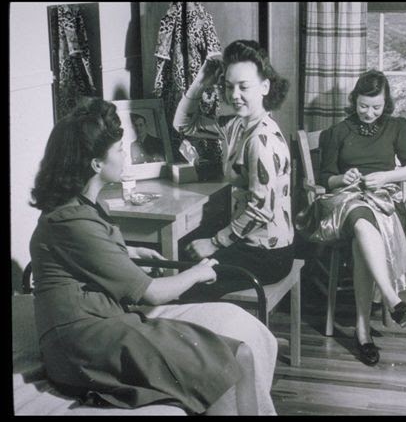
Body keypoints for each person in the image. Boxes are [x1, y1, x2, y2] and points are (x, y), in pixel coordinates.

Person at [28, 98, 278, 415]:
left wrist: (129, 252)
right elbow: (153, 293)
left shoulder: (82, 204)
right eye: (119, 149)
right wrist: (199, 271)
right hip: (84, 342)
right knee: (219, 373)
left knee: (241, 354)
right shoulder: (70, 219)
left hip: (107, 323)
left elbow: (85, 254)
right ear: (95, 164)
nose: (125, 154)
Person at [316, 69, 406, 366]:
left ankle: (363, 331)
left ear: (386, 103)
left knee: (362, 237)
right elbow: (324, 177)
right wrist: (343, 178)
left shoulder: (395, 127)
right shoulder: (338, 132)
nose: (369, 113)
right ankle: (392, 299)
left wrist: (387, 177)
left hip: (383, 200)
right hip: (347, 202)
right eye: (363, 106)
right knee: (360, 218)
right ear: (354, 101)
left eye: (376, 107)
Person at [173, 40, 294, 299]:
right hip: (247, 243)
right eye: (229, 87)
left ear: (264, 87)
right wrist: (202, 80)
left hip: (267, 255)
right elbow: (184, 125)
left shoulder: (262, 140)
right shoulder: (237, 125)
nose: (234, 95)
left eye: (243, 87)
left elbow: (262, 210)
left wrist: (214, 243)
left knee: (188, 284)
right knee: (181, 260)